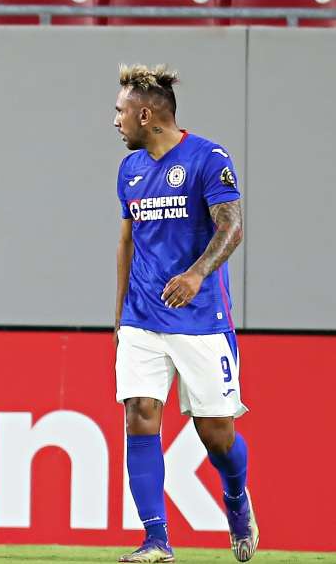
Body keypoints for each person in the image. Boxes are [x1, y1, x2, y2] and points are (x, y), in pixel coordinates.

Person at [113, 64, 257, 563]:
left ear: (146, 114)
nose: (115, 122)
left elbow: (232, 227)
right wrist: (119, 317)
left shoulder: (207, 157)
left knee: (216, 434)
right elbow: (128, 240)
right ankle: (157, 540)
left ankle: (236, 498)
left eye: (120, 111)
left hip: (200, 318)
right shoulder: (128, 170)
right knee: (139, 416)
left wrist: (196, 274)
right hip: (142, 319)